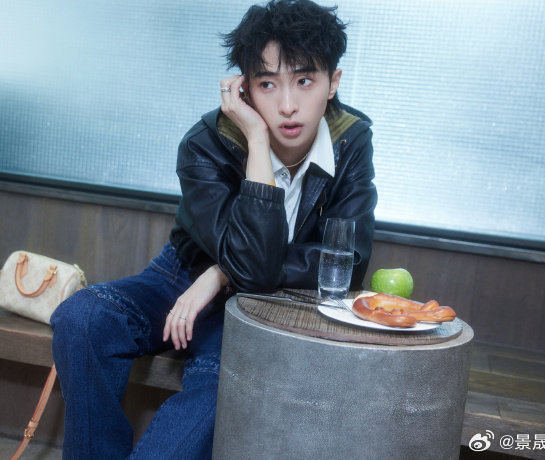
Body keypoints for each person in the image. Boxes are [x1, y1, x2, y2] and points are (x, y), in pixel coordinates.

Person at [50, 0, 377, 458]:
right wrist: (257, 141)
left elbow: (346, 261)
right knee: (82, 318)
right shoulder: (206, 143)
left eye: (304, 81)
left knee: (215, 389)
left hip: (266, 302)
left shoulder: (351, 140)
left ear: (333, 82)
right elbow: (251, 260)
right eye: (267, 84)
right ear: (244, 89)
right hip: (181, 276)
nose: (287, 105)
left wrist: (221, 274)